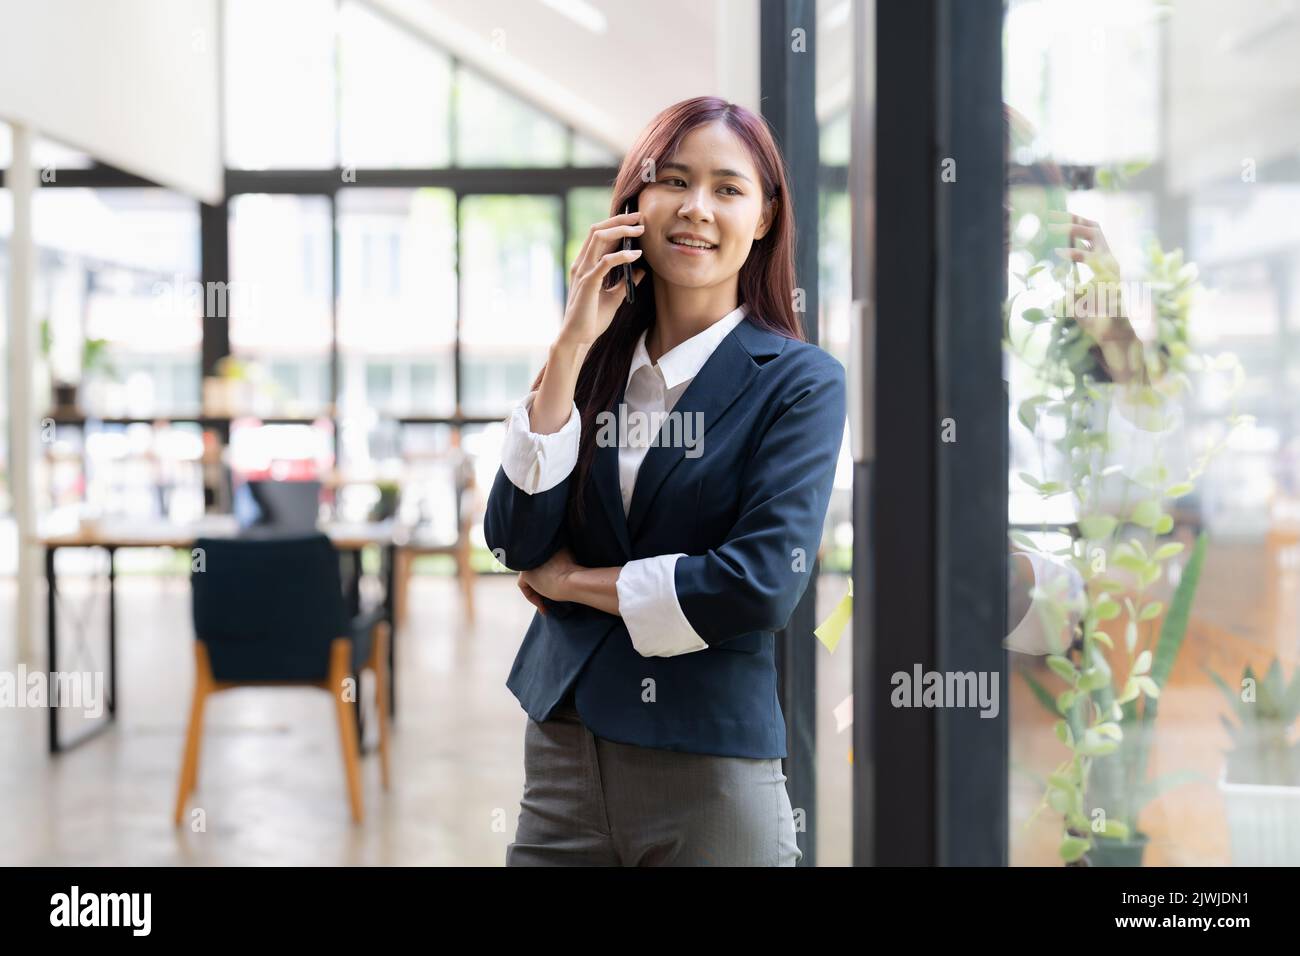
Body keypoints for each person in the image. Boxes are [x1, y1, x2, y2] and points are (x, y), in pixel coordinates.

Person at [484, 96, 845, 866]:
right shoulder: (591, 364)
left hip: (706, 767)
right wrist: (570, 344)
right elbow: (515, 540)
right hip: (563, 753)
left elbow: (759, 586)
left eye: (727, 188)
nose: (695, 208)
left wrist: (575, 582)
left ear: (766, 218)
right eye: (673, 180)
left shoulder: (800, 383)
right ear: (634, 203)